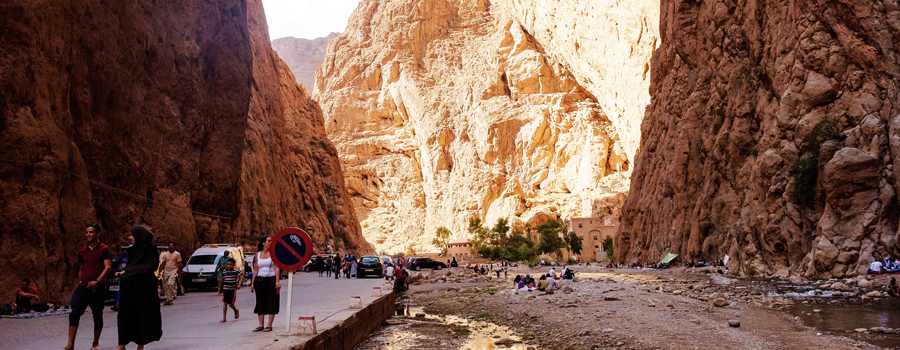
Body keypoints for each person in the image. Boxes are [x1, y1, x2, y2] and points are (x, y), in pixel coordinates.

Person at [64, 223, 112, 350]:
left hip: (98, 287)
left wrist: (97, 281)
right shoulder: (82, 250)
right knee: (74, 313)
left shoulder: (104, 249)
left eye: (91, 232)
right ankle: (70, 345)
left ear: (98, 234)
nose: (88, 235)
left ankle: (95, 343)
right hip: (83, 286)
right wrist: (81, 282)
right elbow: (81, 268)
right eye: (87, 232)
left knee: (97, 315)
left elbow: (108, 267)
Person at [116, 226, 163, 350]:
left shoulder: (151, 249)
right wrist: (124, 273)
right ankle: (122, 343)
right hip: (130, 284)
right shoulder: (132, 251)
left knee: (142, 314)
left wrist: (136, 271)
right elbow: (132, 267)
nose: (129, 237)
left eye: (131, 235)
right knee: (124, 314)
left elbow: (151, 266)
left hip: (145, 286)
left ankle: (140, 344)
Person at [251, 236, 280, 332]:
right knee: (260, 300)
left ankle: (269, 325)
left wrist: (277, 281)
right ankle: (260, 325)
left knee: (272, 300)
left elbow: (277, 268)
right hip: (259, 279)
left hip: (271, 278)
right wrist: (252, 283)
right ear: (263, 243)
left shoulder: (274, 254)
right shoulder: (257, 254)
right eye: (269, 241)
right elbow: (256, 269)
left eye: (271, 241)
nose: (271, 242)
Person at [218, 258, 243, 322]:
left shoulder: (235, 271)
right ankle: (224, 318)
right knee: (225, 303)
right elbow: (222, 279)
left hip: (232, 289)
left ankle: (235, 310)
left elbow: (241, 276)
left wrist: (239, 284)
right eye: (228, 264)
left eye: (231, 264)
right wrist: (219, 287)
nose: (229, 266)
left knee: (230, 303)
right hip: (225, 288)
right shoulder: (224, 271)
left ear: (233, 265)